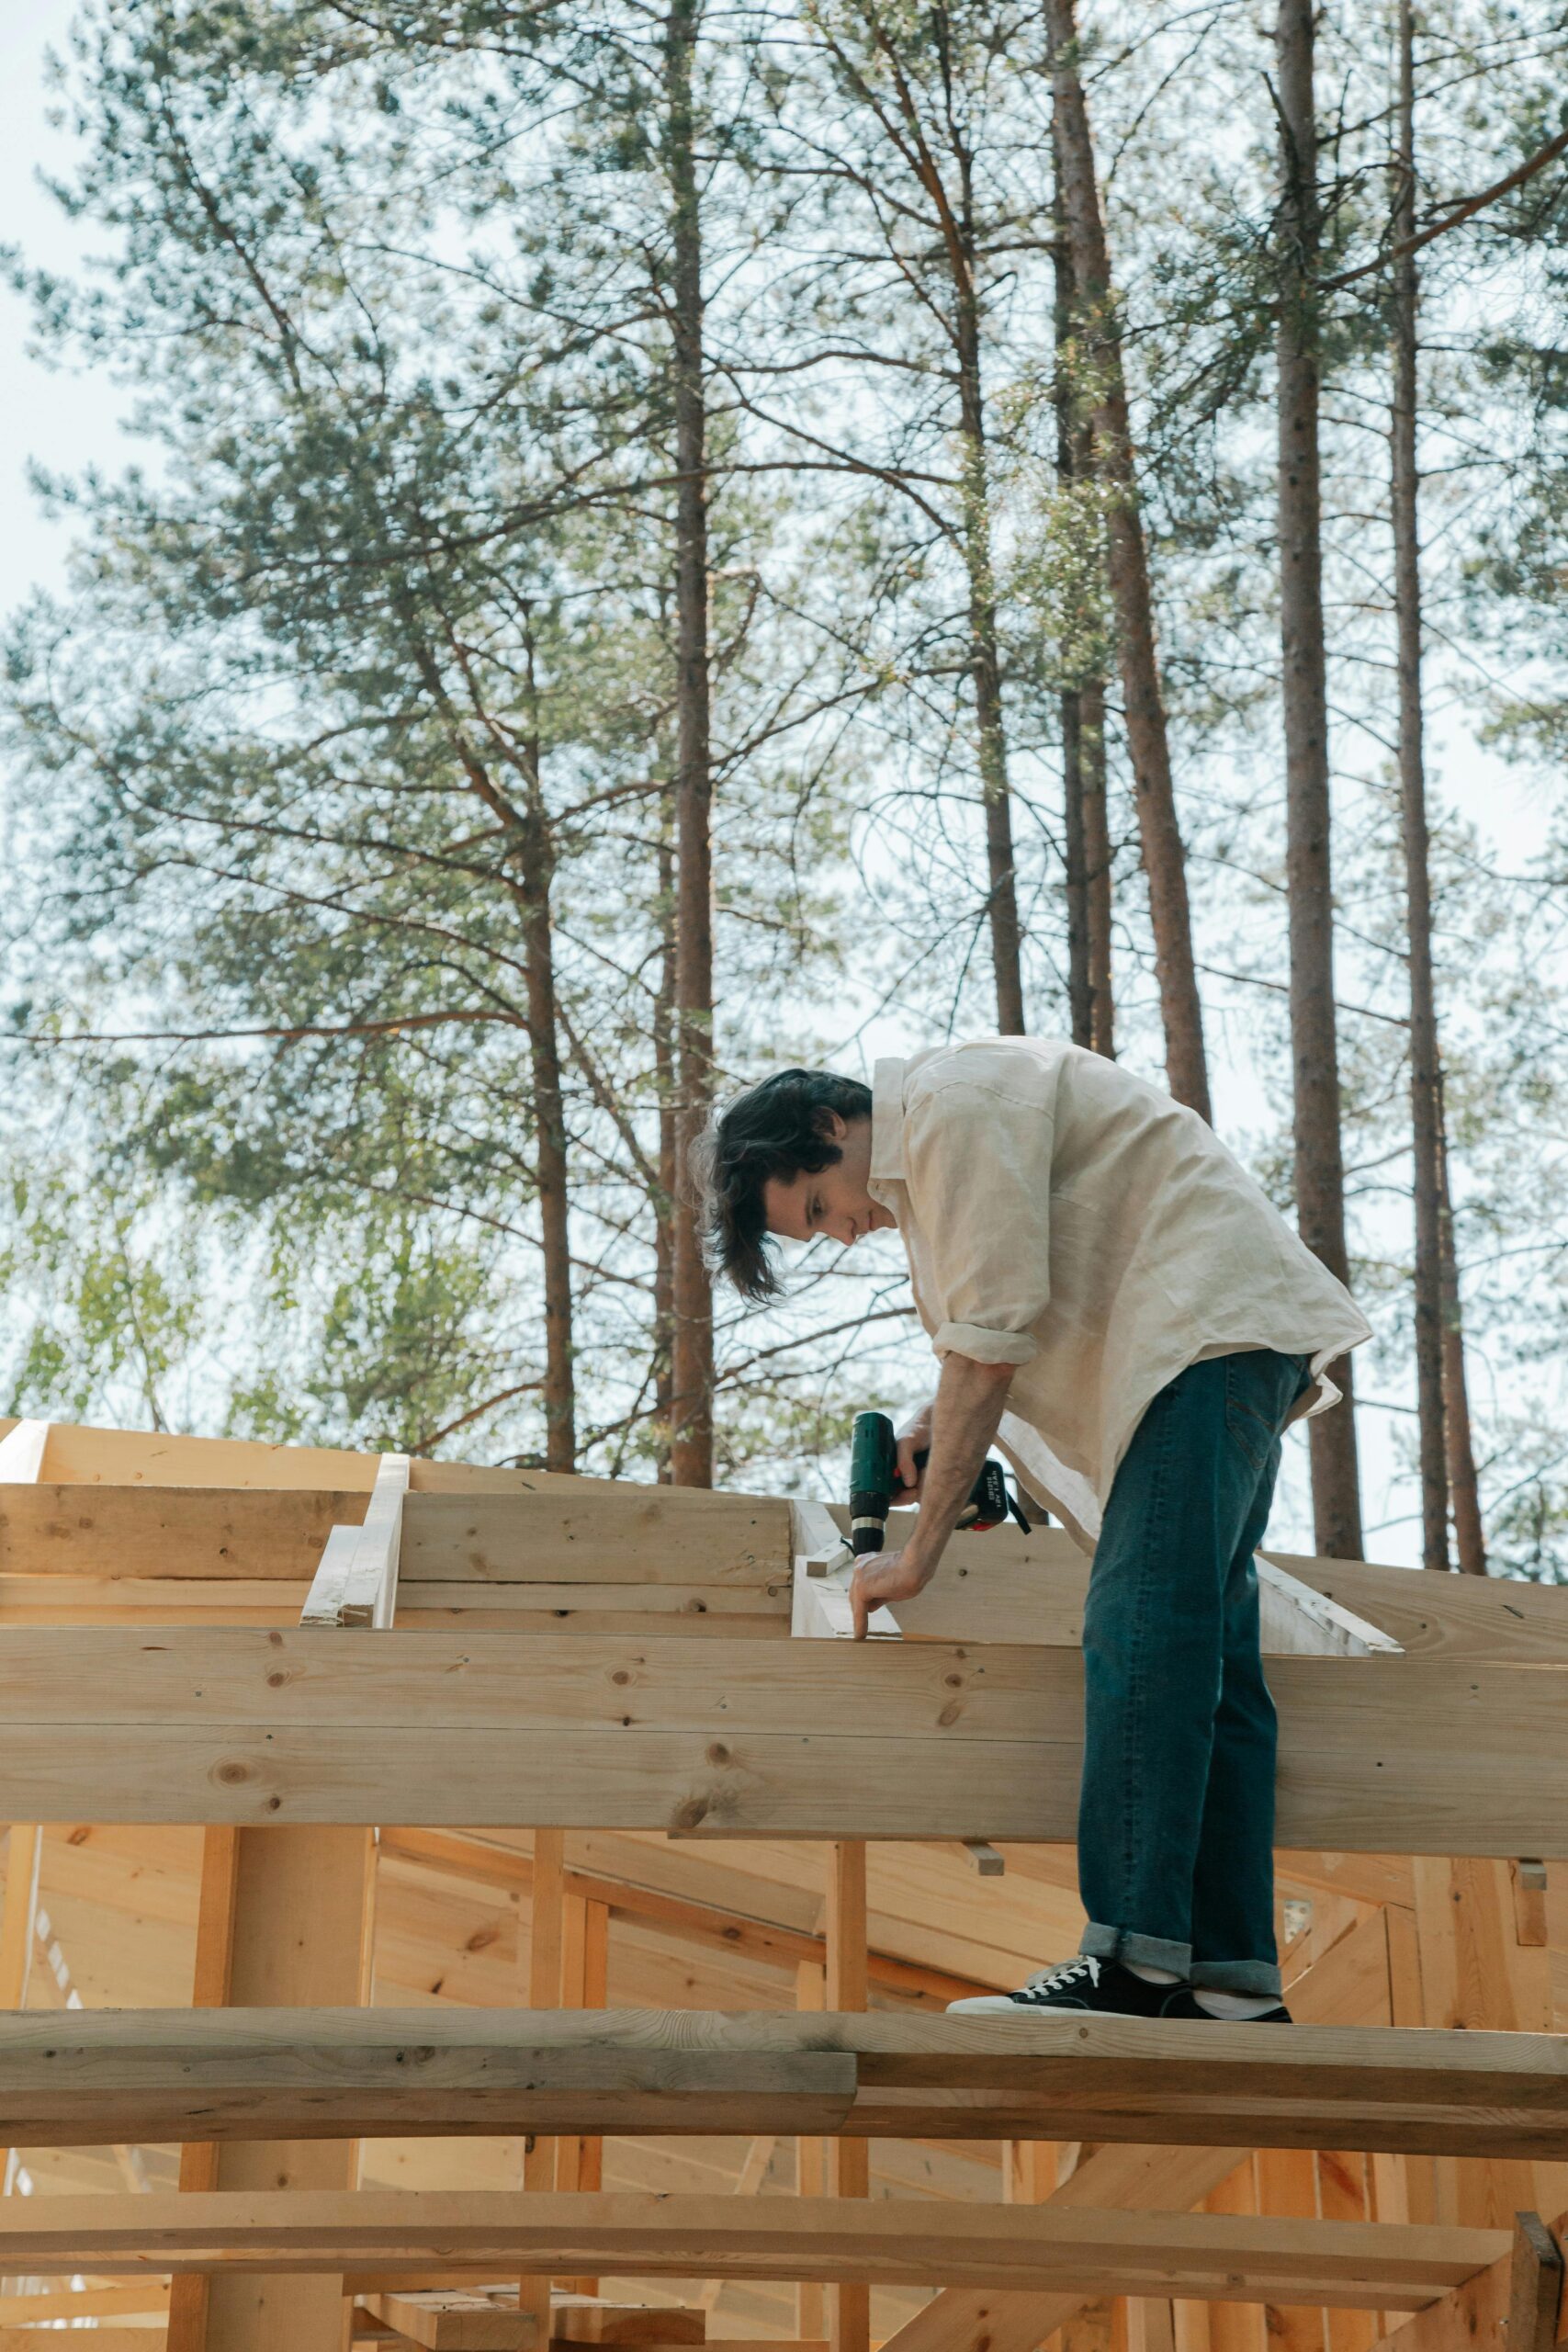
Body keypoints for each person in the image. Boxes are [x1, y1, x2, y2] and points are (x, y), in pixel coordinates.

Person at [699, 1038, 1370, 2023]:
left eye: (814, 1209)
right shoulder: (939, 1162)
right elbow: (994, 1317)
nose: (840, 1235)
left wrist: (918, 1549)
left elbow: (990, 1341)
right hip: (1222, 1342)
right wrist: (933, 1434)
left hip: (1200, 1343)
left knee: (1137, 1626)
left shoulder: (943, 1108)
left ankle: (1133, 1967)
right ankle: (1229, 1977)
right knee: (1207, 1650)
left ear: (827, 1128)